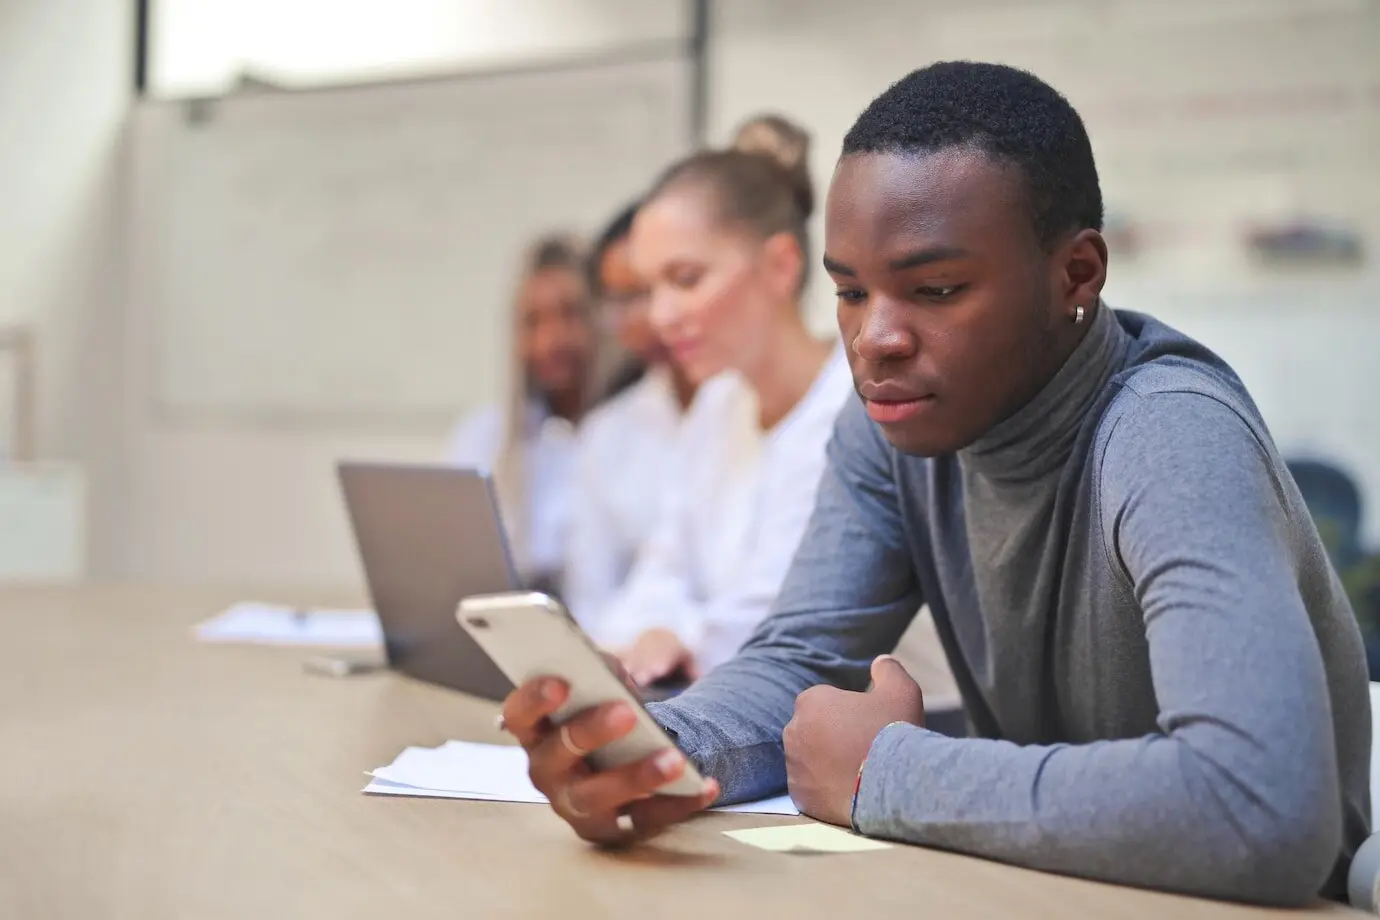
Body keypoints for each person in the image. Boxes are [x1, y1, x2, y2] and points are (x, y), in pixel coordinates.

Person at [498, 62, 1371, 907]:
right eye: (848, 292)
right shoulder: (891, 422)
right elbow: (803, 659)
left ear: (1077, 274)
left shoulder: (1171, 433)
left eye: (937, 289)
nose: (875, 339)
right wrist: (657, 746)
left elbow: (1262, 808)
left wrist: (889, 770)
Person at [580, 116, 852, 689]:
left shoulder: (854, 404)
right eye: (651, 288)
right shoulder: (719, 403)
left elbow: (780, 614)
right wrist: (655, 630)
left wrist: (678, 637)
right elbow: (661, 570)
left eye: (685, 279)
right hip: (725, 704)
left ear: (779, 266)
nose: (660, 316)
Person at [563, 202, 697, 625]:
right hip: (640, 665)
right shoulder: (608, 432)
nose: (648, 317)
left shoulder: (753, 406)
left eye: (648, 290)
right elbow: (589, 595)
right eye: (620, 300)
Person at [446, 235, 594, 592]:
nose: (551, 340)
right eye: (533, 322)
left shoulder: (627, 431)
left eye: (569, 314)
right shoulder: (484, 436)